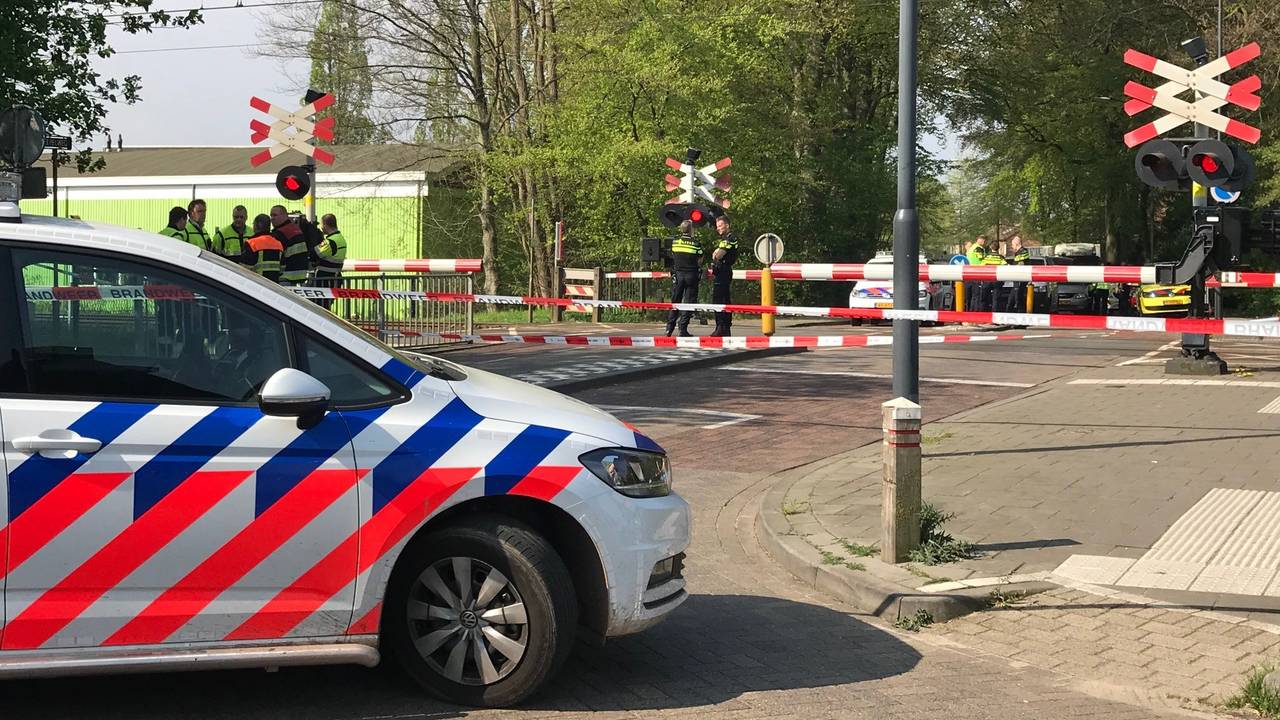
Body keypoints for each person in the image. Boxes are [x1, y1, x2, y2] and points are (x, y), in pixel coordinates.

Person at [664, 220, 703, 337]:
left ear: (682, 229)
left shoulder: (675, 242)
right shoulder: (696, 243)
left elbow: (673, 256)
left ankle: (669, 329)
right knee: (689, 302)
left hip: (679, 275)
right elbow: (700, 258)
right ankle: (683, 329)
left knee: (675, 302)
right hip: (691, 275)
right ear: (691, 230)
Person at [709, 213, 739, 337]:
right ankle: (723, 327)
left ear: (727, 225)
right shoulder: (725, 239)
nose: (718, 228)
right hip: (721, 271)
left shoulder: (731, 238)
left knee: (719, 300)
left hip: (724, 271)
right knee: (723, 299)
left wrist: (717, 251)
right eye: (717, 226)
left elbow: (718, 255)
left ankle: (722, 327)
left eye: (720, 225)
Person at [270, 205, 312, 286]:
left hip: (286, 277)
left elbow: (277, 256)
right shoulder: (296, 228)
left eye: (275, 215)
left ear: (284, 216)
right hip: (300, 276)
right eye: (271, 215)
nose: (272, 218)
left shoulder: (280, 233)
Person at [241, 214, 284, 283]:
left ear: (257, 225)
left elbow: (244, 269)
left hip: (256, 284)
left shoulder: (251, 243)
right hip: (274, 285)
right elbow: (282, 268)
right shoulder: (278, 244)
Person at [314, 213, 348, 293]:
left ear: (325, 225)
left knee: (321, 303)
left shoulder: (330, 241)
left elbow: (315, 254)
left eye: (322, 225)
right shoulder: (340, 238)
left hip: (325, 279)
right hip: (335, 277)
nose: (321, 228)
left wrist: (314, 238)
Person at [1005, 235, 1031, 312]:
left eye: (1012, 245)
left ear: (1016, 244)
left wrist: (1011, 267)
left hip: (1020, 279)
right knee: (1012, 300)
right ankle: (1008, 316)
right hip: (1017, 279)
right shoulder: (1018, 252)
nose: (1012, 247)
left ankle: (1020, 318)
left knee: (1019, 299)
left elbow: (1020, 264)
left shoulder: (1023, 251)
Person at [980, 238, 1007, 311]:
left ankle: (983, 314)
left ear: (990, 247)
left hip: (987, 280)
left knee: (984, 299)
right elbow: (1005, 266)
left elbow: (981, 267)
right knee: (996, 300)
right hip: (997, 281)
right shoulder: (1000, 258)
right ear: (998, 248)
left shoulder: (986, 257)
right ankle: (995, 315)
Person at [965, 235, 989, 310]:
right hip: (978, 272)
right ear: (981, 240)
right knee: (977, 295)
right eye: (984, 240)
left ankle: (971, 311)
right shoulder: (978, 248)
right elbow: (982, 260)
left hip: (970, 272)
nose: (985, 242)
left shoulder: (972, 248)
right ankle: (976, 312)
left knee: (973, 295)